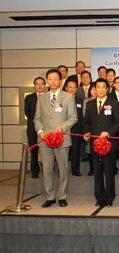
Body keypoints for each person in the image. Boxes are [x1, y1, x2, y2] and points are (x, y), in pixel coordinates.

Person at [34, 69, 78, 208]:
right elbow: (37, 118)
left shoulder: (68, 97)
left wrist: (62, 128)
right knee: (46, 170)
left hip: (62, 139)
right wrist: (40, 131)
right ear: (47, 80)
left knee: (63, 169)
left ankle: (62, 196)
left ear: (60, 81)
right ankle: (50, 196)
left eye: (55, 79)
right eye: (50, 79)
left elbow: (73, 118)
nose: (53, 81)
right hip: (45, 139)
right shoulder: (42, 98)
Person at [83, 78, 119, 207]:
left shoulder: (114, 103)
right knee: (97, 171)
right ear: (94, 89)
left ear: (107, 89)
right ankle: (99, 197)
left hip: (108, 143)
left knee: (109, 170)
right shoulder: (89, 104)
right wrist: (87, 132)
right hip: (95, 143)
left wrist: (108, 132)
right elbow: (87, 122)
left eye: (103, 87)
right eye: (97, 87)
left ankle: (110, 197)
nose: (100, 89)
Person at [24, 76, 46, 178]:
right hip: (32, 129)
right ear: (34, 86)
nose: (40, 85)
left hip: (46, 129)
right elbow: (27, 113)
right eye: (37, 83)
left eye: (42, 83)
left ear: (45, 85)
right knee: (34, 151)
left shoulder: (48, 96)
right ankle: (35, 171)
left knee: (46, 151)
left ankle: (46, 170)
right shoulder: (29, 97)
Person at [65, 80, 84, 177]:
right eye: (70, 87)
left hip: (77, 130)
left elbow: (81, 117)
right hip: (64, 131)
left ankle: (75, 170)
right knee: (64, 152)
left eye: (74, 87)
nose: (72, 89)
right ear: (66, 88)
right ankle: (63, 171)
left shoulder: (80, 100)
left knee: (76, 151)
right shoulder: (61, 100)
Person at [82, 83, 96, 176]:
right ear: (90, 91)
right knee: (90, 150)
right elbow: (84, 114)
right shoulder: (86, 101)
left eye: (96, 89)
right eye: (93, 89)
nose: (95, 91)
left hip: (101, 130)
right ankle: (92, 169)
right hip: (90, 128)